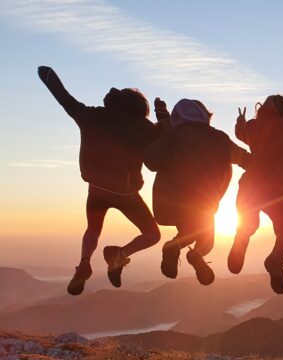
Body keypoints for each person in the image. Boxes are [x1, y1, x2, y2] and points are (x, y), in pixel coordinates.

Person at [37, 66, 162, 295]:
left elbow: (67, 101)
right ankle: (120, 254)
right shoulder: (144, 128)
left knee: (93, 229)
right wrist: (164, 116)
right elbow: (168, 139)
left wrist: (48, 77)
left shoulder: (92, 116)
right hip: (126, 194)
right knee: (153, 235)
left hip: (96, 189)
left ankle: (84, 262)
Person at [144, 98, 249, 285]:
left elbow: (151, 162)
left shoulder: (171, 136)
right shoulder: (219, 139)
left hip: (166, 208)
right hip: (202, 205)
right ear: (204, 115)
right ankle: (196, 253)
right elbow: (247, 161)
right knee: (206, 238)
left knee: (190, 227)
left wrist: (166, 129)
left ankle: (176, 245)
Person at [229, 78, 283, 294]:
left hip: (250, 187)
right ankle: (276, 261)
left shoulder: (252, 126)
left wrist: (240, 122)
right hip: (278, 190)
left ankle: (241, 241)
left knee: (248, 225)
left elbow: (241, 134)